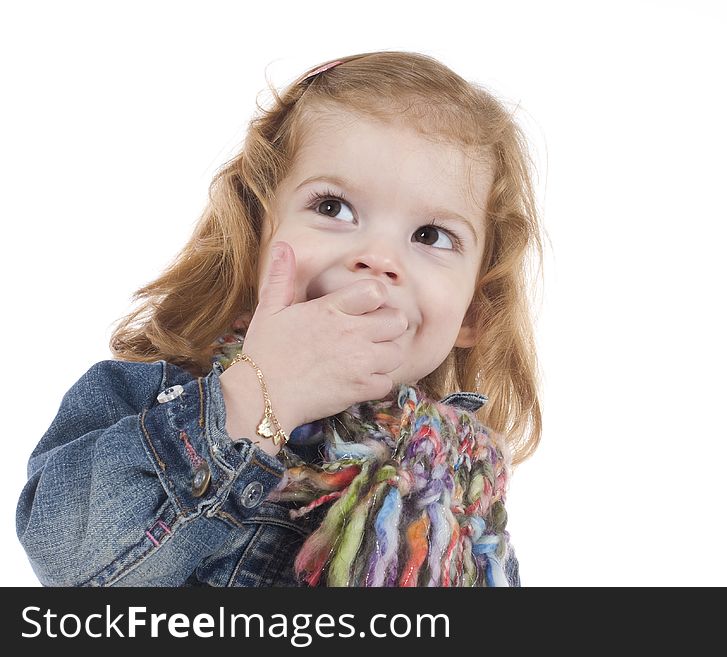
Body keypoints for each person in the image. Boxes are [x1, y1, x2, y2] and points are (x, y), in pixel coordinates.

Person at [16, 50, 544, 587]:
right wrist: (256, 397)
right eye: (334, 207)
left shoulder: (456, 493)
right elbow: (70, 563)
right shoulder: (152, 396)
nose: (379, 258)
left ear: (475, 313)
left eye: (430, 236)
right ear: (254, 242)